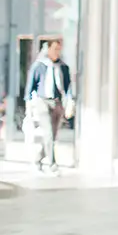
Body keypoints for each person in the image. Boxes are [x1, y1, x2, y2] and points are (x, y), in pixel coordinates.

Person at [26, 39, 72, 173]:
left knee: (53, 135)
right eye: (54, 49)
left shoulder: (63, 67)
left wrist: (69, 101)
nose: (56, 52)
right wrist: (29, 103)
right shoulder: (39, 65)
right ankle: (52, 164)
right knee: (48, 133)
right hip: (42, 101)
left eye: (59, 49)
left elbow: (67, 87)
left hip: (57, 102)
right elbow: (31, 86)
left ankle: (38, 158)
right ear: (48, 49)